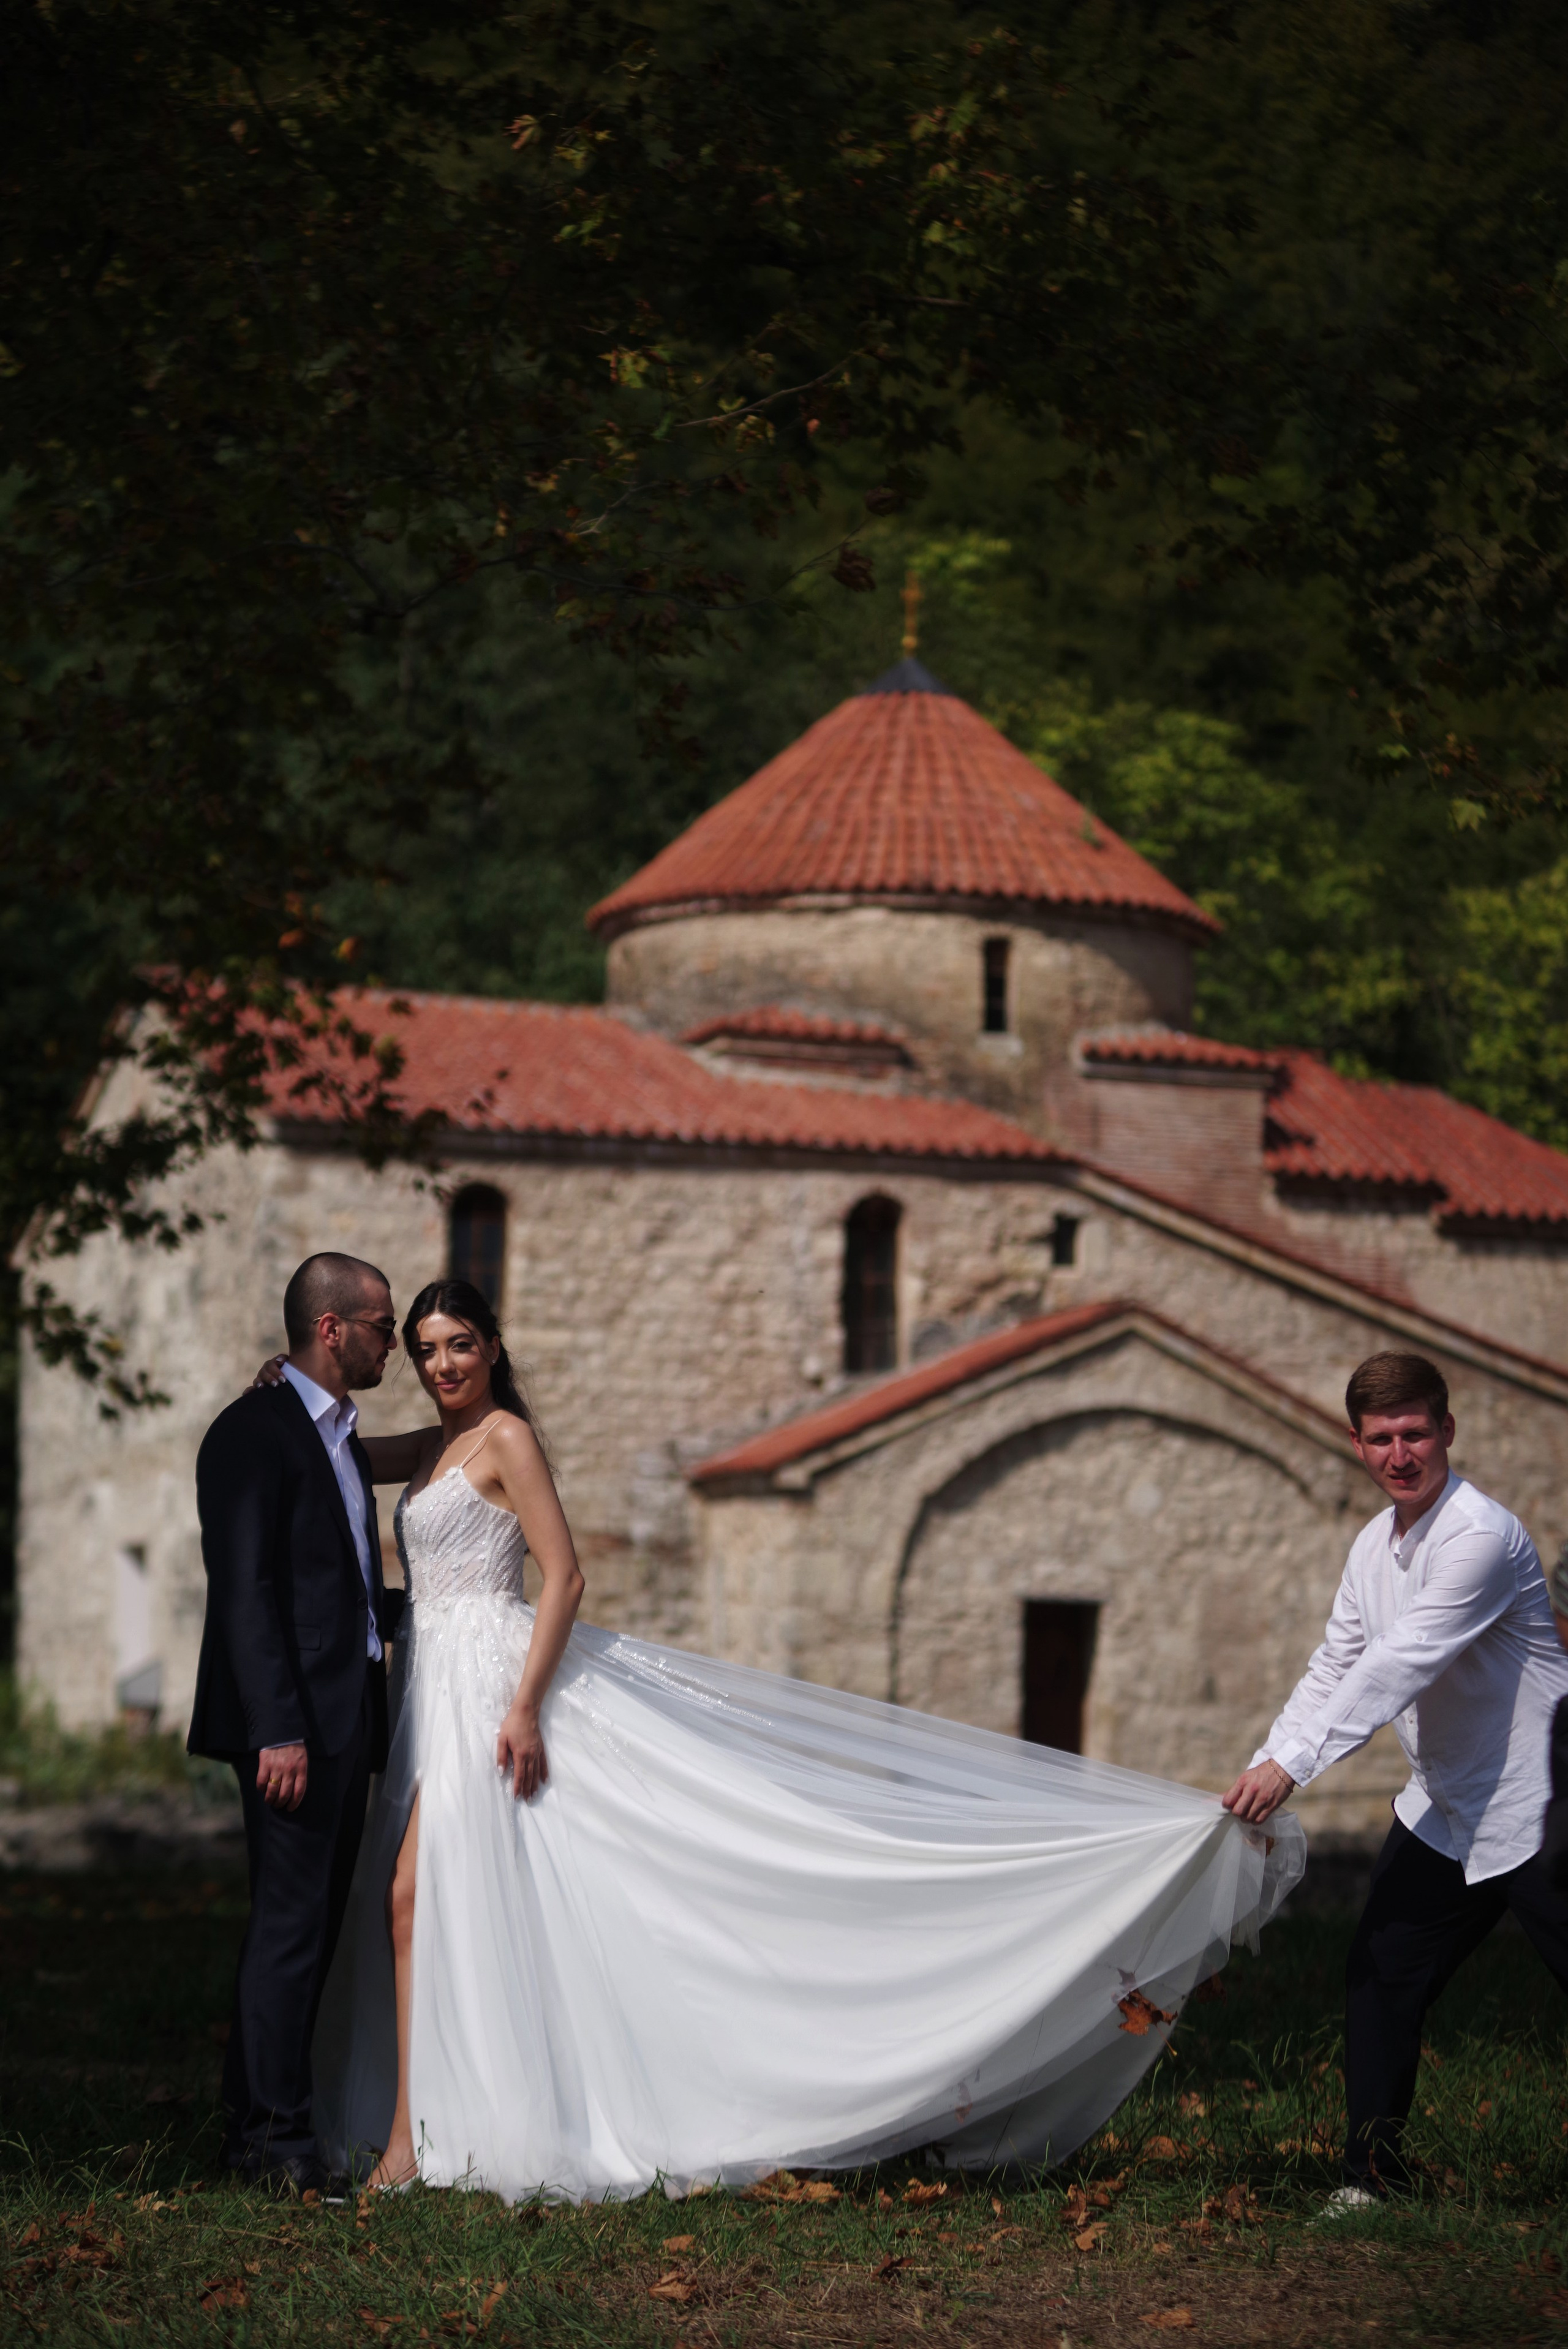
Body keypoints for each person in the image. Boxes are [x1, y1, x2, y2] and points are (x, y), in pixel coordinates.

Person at [239, 1278, 1308, 2202]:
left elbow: (565, 1576)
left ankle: (411, 2146)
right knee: (426, 1902)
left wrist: (523, 1707)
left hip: (494, 1684)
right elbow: (332, 1451)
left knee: (416, 1897)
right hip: (433, 1684)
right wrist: (283, 1392)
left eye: (460, 1345)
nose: (441, 1365)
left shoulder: (507, 1438)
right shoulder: (432, 1445)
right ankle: (428, 2125)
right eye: (425, 1349)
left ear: (493, 1347)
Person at [1223, 1349, 1568, 2209]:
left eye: (1415, 1433)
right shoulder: (1373, 1545)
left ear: (1447, 1430)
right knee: (1380, 1973)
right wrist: (1269, 1755)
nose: (1400, 1455)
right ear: (1357, 1444)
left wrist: (1295, 1767)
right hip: (1446, 1811)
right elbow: (1337, 1663)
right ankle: (1372, 2183)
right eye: (1381, 1439)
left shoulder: (1479, 1537)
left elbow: (1399, 1665)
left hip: (1542, 1806)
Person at [190, 1252, 398, 2193]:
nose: (391, 1344)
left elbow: (341, 1583)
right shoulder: (252, 1432)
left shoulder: (343, 1437)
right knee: (288, 1928)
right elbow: (245, 1591)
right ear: (331, 1328)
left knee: (306, 1927)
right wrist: (275, 1728)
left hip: (345, 1716)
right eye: (383, 1326)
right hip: (291, 1728)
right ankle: (275, 2150)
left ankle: (256, 2131)